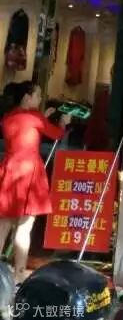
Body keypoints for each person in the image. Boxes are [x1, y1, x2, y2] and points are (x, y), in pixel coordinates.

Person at [0, 82, 70, 282]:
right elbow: (56, 134)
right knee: (24, 226)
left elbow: (27, 128)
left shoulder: (8, 117)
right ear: (27, 97)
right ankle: (19, 274)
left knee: (3, 225)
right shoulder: (35, 118)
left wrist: (42, 117)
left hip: (9, 171)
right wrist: (63, 122)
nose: (40, 100)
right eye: (38, 96)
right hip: (29, 172)